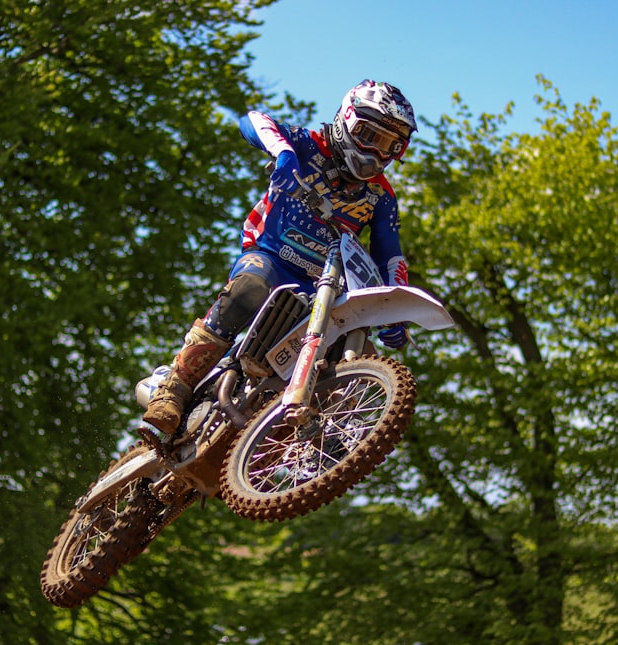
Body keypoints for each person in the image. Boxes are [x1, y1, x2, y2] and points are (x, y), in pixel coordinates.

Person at [139, 79, 417, 452]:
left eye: (389, 145)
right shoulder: (306, 145)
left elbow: (390, 255)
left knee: (353, 334)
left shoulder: (380, 196)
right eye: (369, 135)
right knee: (250, 286)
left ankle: (320, 435)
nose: (376, 151)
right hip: (269, 258)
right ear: (346, 120)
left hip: (321, 286)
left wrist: (396, 311)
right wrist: (283, 153)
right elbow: (252, 120)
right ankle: (174, 386)